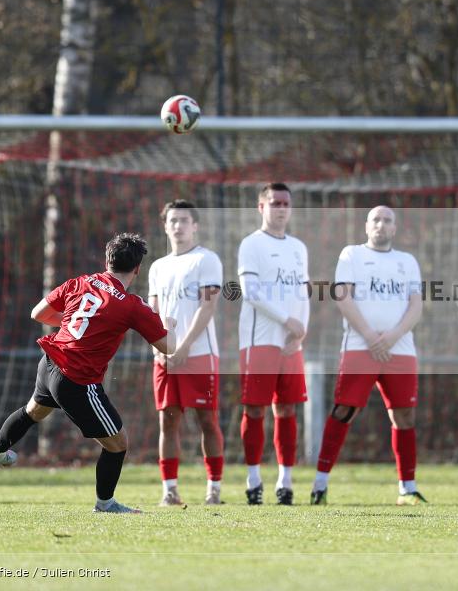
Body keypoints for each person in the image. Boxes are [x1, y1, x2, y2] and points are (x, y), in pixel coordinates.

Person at [0, 233, 175, 514]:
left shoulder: (80, 282)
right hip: (76, 381)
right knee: (118, 444)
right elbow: (168, 347)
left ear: (107, 261)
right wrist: (173, 324)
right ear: (137, 269)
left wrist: (75, 324)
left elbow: (38, 313)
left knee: (33, 411)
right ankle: (105, 504)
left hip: (49, 362)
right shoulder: (131, 305)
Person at [310, 206, 425, 506]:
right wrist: (371, 336)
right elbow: (342, 296)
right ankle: (320, 483)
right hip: (361, 346)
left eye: (387, 220)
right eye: (376, 219)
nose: (381, 224)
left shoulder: (407, 262)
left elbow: (416, 306)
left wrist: (393, 336)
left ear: (395, 228)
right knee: (345, 410)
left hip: (399, 349)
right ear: (366, 226)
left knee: (404, 415)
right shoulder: (352, 255)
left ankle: (407, 488)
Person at [148, 199, 225, 506]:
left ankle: (214, 489)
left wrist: (184, 346)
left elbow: (208, 306)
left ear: (195, 226)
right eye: (173, 221)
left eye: (184, 220)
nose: (178, 226)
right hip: (165, 358)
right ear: (165, 226)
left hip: (199, 353)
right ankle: (169, 490)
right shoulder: (157, 267)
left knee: (207, 420)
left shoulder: (206, 260)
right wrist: (160, 348)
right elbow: (152, 313)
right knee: (168, 421)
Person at [237, 182, 310, 505]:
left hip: (290, 342)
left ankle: (285, 481)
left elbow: (303, 291)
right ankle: (254, 479)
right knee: (255, 408)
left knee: (287, 408)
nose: (281, 208)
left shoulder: (298, 247)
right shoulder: (251, 244)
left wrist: (300, 329)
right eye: (275, 202)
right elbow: (251, 292)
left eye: (285, 203)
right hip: (260, 340)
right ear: (261, 207)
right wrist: (286, 321)